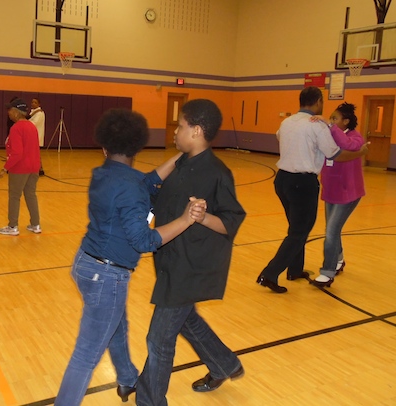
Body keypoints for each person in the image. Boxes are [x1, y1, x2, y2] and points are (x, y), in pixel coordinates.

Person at [55, 108, 205, 406]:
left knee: (117, 325)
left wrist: (180, 156)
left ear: (103, 146)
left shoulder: (104, 172)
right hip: (106, 276)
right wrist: (186, 219)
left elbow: (146, 182)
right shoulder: (130, 188)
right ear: (137, 146)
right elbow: (144, 240)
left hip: (86, 264)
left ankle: (126, 379)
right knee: (86, 355)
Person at [136, 99, 246, 405]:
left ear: (196, 131)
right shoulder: (182, 163)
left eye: (180, 126)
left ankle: (149, 400)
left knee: (159, 338)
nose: (174, 131)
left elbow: (231, 221)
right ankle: (226, 365)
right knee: (186, 321)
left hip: (192, 267)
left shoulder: (217, 173)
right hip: (172, 261)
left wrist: (202, 216)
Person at [256, 86, 369, 293]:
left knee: (296, 227)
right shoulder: (317, 126)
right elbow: (336, 155)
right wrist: (360, 153)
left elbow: (281, 137)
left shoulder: (287, 121)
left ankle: (295, 270)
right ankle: (270, 274)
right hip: (302, 183)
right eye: (322, 102)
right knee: (299, 231)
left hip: (282, 180)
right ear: (317, 102)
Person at [313, 102, 365, 287]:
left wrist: (329, 125)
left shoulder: (355, 137)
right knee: (332, 229)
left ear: (346, 121)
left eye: (335, 118)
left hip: (349, 193)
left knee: (331, 231)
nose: (332, 121)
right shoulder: (331, 135)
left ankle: (327, 272)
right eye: (332, 118)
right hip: (331, 191)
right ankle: (339, 259)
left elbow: (347, 145)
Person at [0, 98, 42, 235]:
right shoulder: (31, 126)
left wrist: (5, 168)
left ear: (16, 112)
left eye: (10, 110)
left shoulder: (16, 128)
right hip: (34, 167)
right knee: (30, 195)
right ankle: (36, 225)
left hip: (20, 168)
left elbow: (17, 152)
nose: (8, 113)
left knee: (14, 196)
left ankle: (13, 226)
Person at [28, 97, 46, 176]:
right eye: (32, 102)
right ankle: (36, 168)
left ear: (39, 104)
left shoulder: (39, 113)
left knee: (35, 153)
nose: (33, 104)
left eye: (35, 102)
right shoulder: (33, 112)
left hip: (36, 136)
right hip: (32, 135)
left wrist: (25, 122)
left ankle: (40, 169)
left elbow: (33, 123)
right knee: (33, 153)